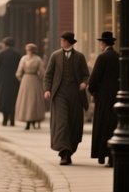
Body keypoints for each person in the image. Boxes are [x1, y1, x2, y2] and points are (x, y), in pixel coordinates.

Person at [44, 31, 90, 165]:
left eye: (63, 40)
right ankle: (63, 153)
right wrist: (47, 89)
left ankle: (69, 152)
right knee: (62, 123)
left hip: (75, 95)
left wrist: (84, 83)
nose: (61, 42)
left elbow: (86, 74)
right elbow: (48, 74)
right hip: (59, 94)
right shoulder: (55, 56)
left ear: (69, 42)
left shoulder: (80, 57)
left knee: (73, 124)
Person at [88, 31, 120, 166]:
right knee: (113, 126)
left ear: (103, 43)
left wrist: (92, 91)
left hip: (103, 98)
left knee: (102, 126)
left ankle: (102, 154)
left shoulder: (102, 57)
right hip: (117, 96)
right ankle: (112, 157)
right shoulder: (118, 56)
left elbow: (94, 78)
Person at [15, 42, 46, 130]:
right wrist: (21, 78)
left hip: (31, 79)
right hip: (28, 79)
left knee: (34, 100)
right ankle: (28, 121)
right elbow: (19, 71)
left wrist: (39, 79)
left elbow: (42, 72)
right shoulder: (25, 58)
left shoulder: (37, 59)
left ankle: (33, 120)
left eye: (29, 50)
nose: (28, 51)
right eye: (28, 50)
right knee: (27, 101)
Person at [0, 37, 21, 126]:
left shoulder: (1, 53)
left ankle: (4, 120)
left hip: (3, 80)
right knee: (13, 99)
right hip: (15, 81)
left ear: (5, 44)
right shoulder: (17, 54)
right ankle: (12, 120)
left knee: (4, 100)